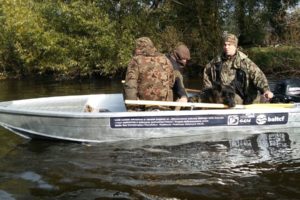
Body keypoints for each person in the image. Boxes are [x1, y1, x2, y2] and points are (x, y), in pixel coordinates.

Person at [203, 33, 273, 104]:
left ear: (235, 46)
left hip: (244, 97)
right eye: (225, 45)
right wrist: (209, 91)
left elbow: (259, 77)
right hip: (225, 96)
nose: (226, 47)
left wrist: (266, 90)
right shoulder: (215, 62)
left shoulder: (245, 62)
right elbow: (206, 72)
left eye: (229, 45)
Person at [124, 37, 174, 111]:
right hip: (165, 106)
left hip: (144, 107)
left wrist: (131, 108)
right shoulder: (165, 59)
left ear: (138, 48)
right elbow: (171, 82)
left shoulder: (136, 61)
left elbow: (130, 85)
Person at [166, 43, 191, 109]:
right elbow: (178, 81)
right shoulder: (173, 66)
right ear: (177, 56)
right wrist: (183, 96)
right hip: (168, 99)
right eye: (184, 59)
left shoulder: (167, 58)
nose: (185, 61)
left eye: (187, 59)